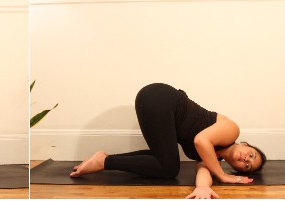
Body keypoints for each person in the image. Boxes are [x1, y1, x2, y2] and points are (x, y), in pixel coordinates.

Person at [69, 83, 266, 198]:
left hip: (156, 104)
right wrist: (222, 176)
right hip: (161, 99)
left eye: (247, 165)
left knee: (164, 163)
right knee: (170, 168)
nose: (245, 158)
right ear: (246, 144)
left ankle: (104, 159)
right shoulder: (232, 130)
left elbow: (203, 171)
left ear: (238, 169)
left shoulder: (213, 159)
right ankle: (103, 162)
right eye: (251, 154)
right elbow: (201, 140)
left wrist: (203, 187)